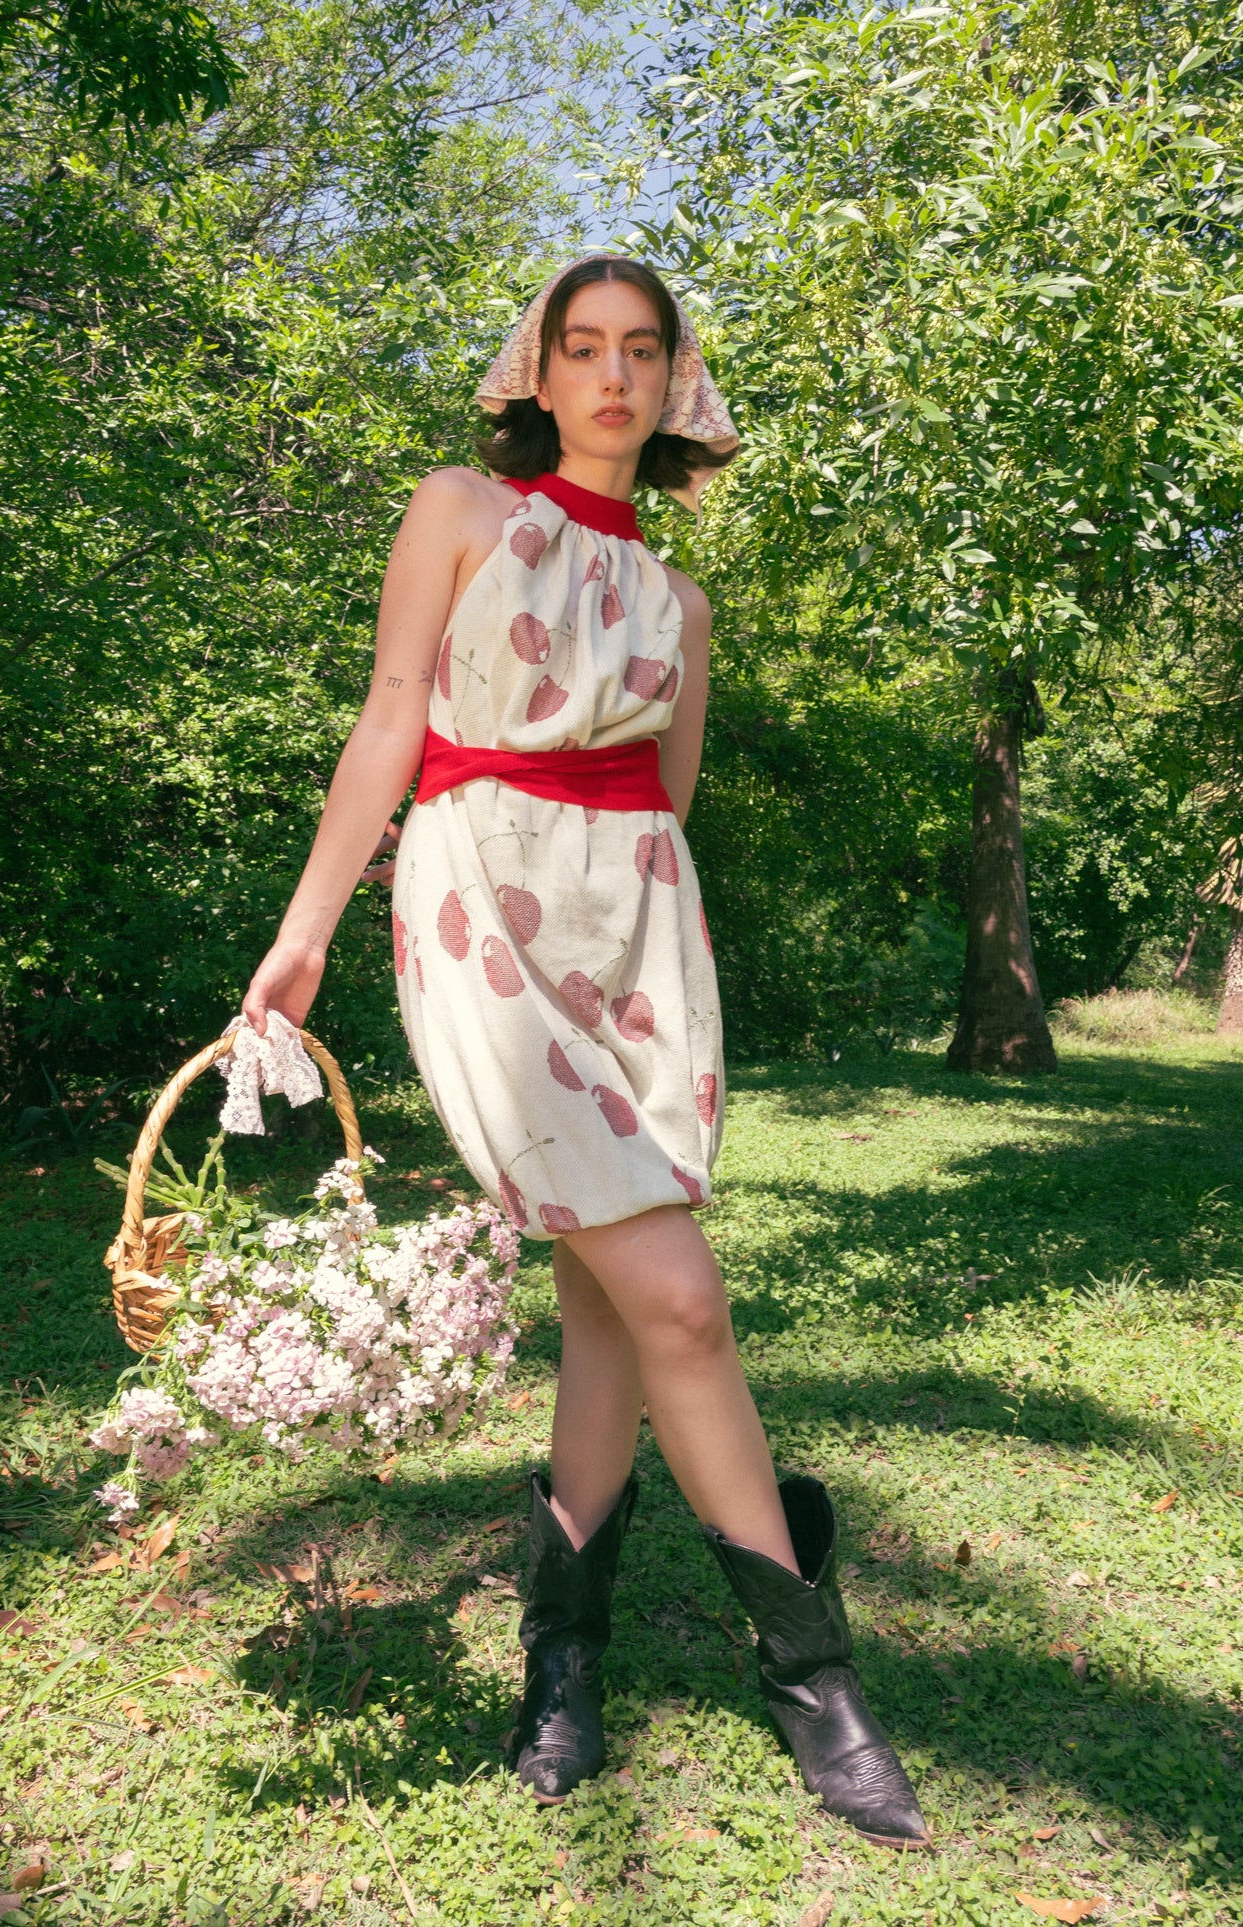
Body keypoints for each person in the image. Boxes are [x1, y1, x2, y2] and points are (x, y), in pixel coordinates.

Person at [241, 254, 929, 1850]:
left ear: (676, 382)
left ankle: (564, 1667)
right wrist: (309, 922)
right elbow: (392, 715)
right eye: (582, 348)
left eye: (641, 351)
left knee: (610, 1301)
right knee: (680, 1291)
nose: (611, 376)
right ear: (535, 373)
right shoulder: (460, 514)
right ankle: (812, 1680)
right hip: (476, 899)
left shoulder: (681, 603)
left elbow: (663, 806)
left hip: (632, 932)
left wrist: (627, 927)